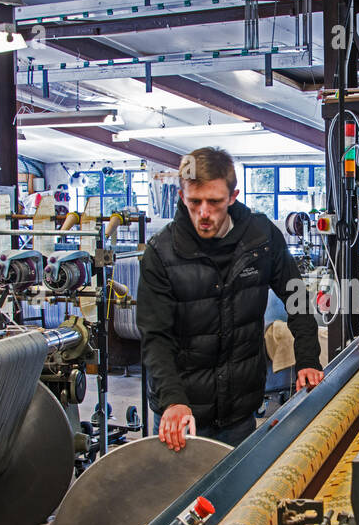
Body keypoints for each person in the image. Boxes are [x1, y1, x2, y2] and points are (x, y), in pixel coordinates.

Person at [138, 147, 323, 451]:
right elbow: (155, 336)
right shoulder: (161, 252)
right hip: (183, 413)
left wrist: (308, 359)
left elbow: (297, 298)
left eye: (214, 202)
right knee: (185, 483)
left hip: (240, 410)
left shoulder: (261, 238)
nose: (204, 213)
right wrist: (172, 399)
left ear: (233, 196)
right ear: (182, 196)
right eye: (194, 202)